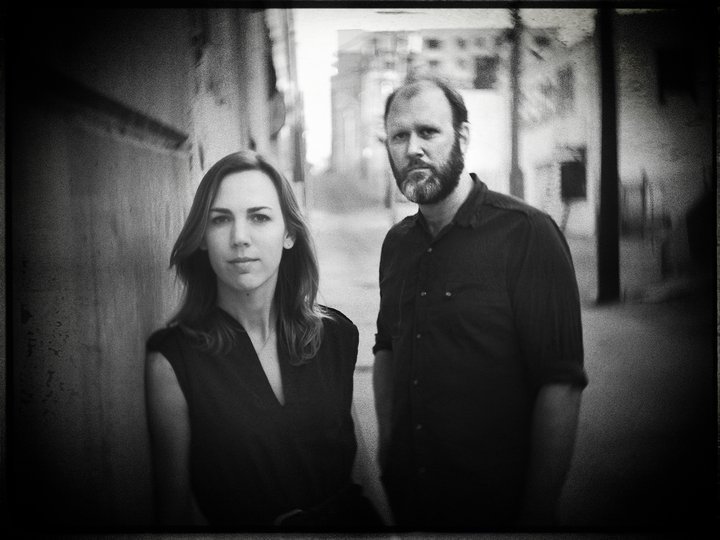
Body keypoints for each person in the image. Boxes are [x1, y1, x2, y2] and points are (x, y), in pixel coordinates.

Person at [373, 77, 588, 531]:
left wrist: (535, 516)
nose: (413, 148)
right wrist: (387, 452)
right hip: (412, 502)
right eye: (399, 136)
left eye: (428, 132)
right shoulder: (397, 245)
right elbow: (387, 347)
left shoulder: (528, 234)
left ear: (463, 137)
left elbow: (561, 383)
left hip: (497, 507)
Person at [145, 151, 382, 531]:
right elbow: (173, 516)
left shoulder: (333, 335)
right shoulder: (172, 361)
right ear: (202, 238)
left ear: (289, 233)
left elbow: (360, 471)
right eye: (220, 219)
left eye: (259, 217)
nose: (240, 238)